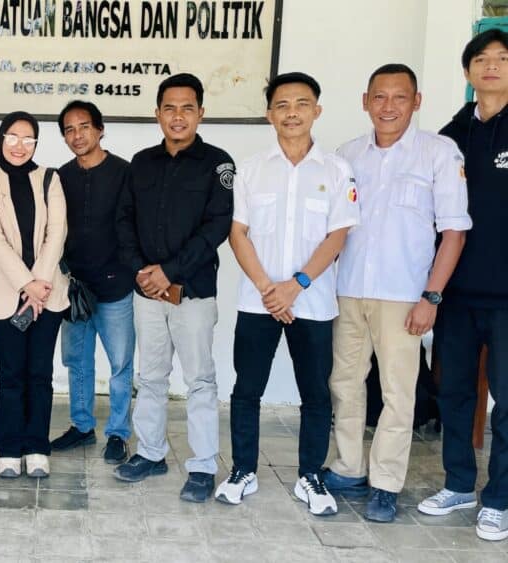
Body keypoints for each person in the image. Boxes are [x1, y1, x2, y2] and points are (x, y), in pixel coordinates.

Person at [323, 64, 470, 523]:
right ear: (365, 101)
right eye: (379, 97)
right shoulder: (347, 155)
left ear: (416, 102)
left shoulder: (438, 153)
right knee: (345, 383)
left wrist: (431, 297)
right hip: (348, 290)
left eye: (400, 97)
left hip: (404, 295)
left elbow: (454, 232)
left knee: (398, 392)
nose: (388, 107)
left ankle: (386, 483)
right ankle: (348, 467)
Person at [218, 72, 359, 516]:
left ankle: (310, 475)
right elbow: (237, 233)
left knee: (315, 393)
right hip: (257, 301)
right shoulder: (251, 169)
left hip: (312, 303)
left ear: (317, 110)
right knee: (247, 390)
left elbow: (338, 236)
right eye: (282, 105)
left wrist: (295, 286)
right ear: (269, 114)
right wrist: (268, 289)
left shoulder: (337, 170)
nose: (291, 112)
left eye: (301, 104)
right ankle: (243, 470)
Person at [114, 74, 234, 503]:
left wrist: (170, 270)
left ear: (200, 113)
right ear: (157, 114)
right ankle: (150, 452)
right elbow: (124, 220)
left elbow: (216, 227)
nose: (177, 116)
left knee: (199, 379)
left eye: (187, 108)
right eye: (169, 108)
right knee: (150, 376)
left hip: (193, 293)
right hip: (147, 292)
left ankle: (202, 466)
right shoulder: (142, 162)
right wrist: (141, 271)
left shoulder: (218, 163)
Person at [418, 28, 508, 542]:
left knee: (506, 400)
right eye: (481, 58)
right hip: (455, 291)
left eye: (502, 58)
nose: (491, 65)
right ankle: (457, 484)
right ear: (468, 71)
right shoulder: (450, 136)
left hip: (506, 297)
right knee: (452, 391)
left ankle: (499, 499)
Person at [0, 111, 68, 478]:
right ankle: (10, 449)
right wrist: (26, 285)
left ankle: (37, 447)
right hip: (4, 294)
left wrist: (39, 284)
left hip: (48, 295)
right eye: (12, 137)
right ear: (1, 139)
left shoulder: (50, 180)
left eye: (28, 139)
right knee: (11, 373)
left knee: (40, 373)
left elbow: (57, 233)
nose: (19, 145)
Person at [50, 100, 135, 464]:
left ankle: (118, 433)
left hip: (116, 286)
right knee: (77, 362)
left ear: (100, 130)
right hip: (75, 288)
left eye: (84, 126)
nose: (77, 135)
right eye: (69, 130)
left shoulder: (125, 173)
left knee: (120, 364)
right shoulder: (60, 177)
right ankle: (82, 426)